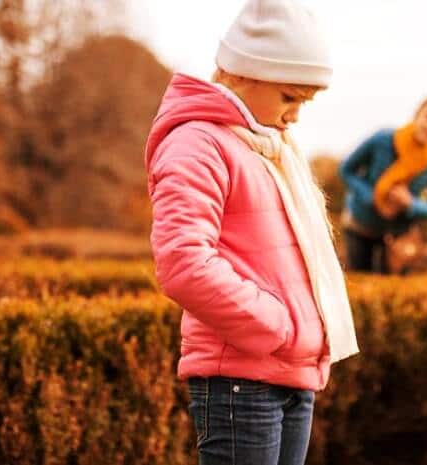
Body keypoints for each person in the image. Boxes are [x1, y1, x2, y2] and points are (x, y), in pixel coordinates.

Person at [143, 1, 359, 464]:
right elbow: (183, 262)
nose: (296, 116)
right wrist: (278, 325)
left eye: (304, 101)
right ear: (244, 73)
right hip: (241, 380)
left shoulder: (265, 146)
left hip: (289, 373)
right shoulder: (197, 143)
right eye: (289, 97)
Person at [338, 91, 427, 274]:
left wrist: (411, 204)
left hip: (399, 235)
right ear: (417, 114)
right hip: (360, 224)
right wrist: (370, 196)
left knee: (393, 288)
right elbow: (346, 169)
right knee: (360, 282)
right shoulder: (382, 139)